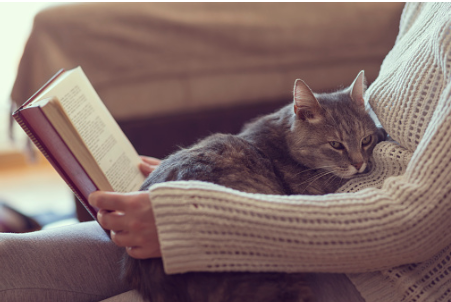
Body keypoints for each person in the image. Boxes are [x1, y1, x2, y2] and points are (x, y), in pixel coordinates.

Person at [1, 2, 450, 302]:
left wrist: (201, 218)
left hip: (372, 269)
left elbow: (417, 222)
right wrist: (202, 179)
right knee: (12, 258)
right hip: (297, 216)